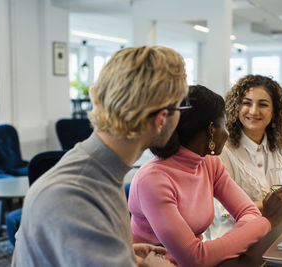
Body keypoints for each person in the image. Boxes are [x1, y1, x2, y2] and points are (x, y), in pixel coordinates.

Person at [12, 46, 188, 267]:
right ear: (161, 118)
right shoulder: (74, 196)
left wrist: (123, 253)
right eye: (181, 106)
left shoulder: (96, 167)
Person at [128, 85, 282, 267]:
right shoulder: (152, 181)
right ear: (211, 129)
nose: (227, 132)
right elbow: (195, 258)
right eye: (224, 124)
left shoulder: (208, 162)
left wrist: (220, 248)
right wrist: (267, 221)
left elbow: (249, 212)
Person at [204, 74, 282, 240]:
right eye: (246, 103)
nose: (254, 111)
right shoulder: (223, 151)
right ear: (236, 107)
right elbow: (224, 211)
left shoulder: (279, 146)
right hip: (235, 242)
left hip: (274, 235)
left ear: (274, 111)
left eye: (263, 104)